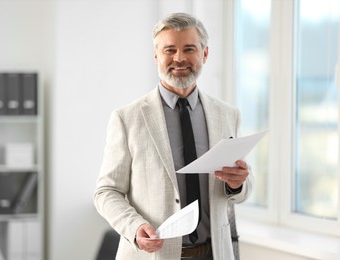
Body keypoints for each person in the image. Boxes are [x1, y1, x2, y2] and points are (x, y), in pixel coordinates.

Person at [94, 12, 253, 260]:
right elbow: (106, 192)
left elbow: (242, 188)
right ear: (156, 56)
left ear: (205, 54)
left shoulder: (228, 115)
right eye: (169, 50)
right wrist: (134, 227)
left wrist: (238, 183)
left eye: (189, 49)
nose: (179, 58)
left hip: (214, 253)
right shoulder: (127, 118)